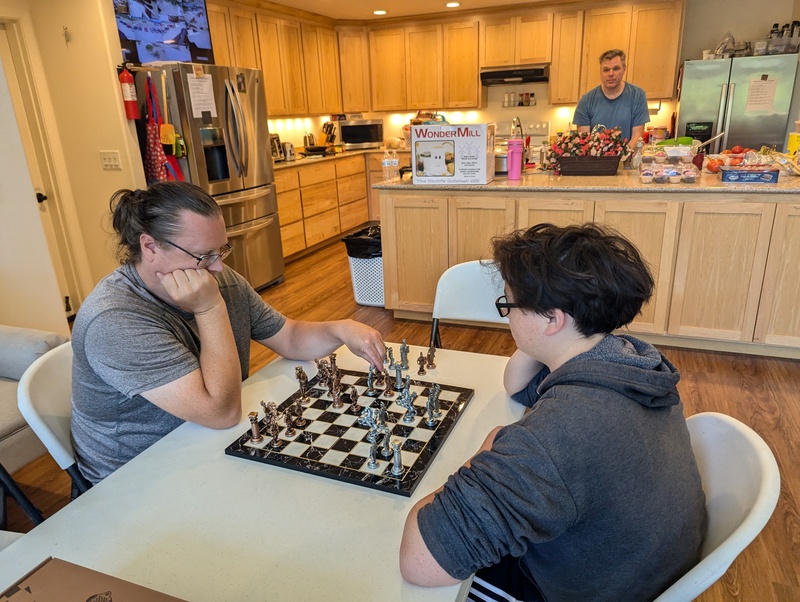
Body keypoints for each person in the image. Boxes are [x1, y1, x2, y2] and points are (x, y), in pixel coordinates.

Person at [399, 223, 706, 601]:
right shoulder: (625, 358)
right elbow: (517, 385)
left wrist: (485, 455)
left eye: (508, 306)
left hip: (573, 589)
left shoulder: (559, 435)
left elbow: (419, 561)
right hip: (628, 567)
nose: (507, 316)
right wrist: (541, 332)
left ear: (553, 319)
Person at [71, 181, 385, 484]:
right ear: (150, 246)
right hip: (137, 477)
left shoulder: (215, 276)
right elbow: (221, 412)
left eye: (221, 250)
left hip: (209, 444)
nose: (219, 267)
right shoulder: (114, 319)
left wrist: (339, 328)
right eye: (204, 255)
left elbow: (288, 336)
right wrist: (210, 309)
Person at [573, 49, 649, 143]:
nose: (611, 74)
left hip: (628, 156)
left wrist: (623, 157)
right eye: (606, 70)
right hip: (596, 157)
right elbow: (584, 141)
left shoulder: (638, 96)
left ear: (624, 69)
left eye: (616, 69)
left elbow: (637, 137)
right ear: (600, 72)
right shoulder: (586, 101)